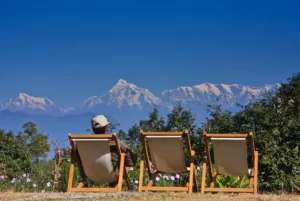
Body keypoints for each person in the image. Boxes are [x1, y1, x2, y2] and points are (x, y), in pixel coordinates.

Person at [91, 114, 137, 187]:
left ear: (93, 129)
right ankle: (115, 185)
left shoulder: (84, 143)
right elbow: (131, 158)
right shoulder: (115, 142)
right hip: (112, 174)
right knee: (124, 158)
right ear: (107, 128)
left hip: (91, 174)